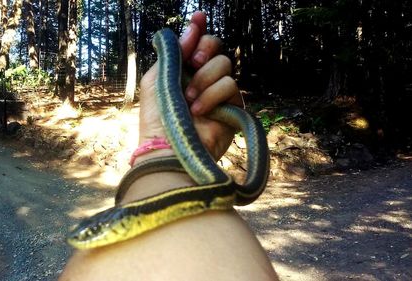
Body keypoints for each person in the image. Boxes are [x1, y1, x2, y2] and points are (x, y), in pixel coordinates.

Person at [59, 11, 278, 281]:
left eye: (94, 232)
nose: (83, 238)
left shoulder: (211, 193)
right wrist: (168, 152)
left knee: (171, 44)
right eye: (93, 231)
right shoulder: (211, 192)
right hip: (193, 165)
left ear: (126, 221)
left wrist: (166, 152)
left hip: (193, 156)